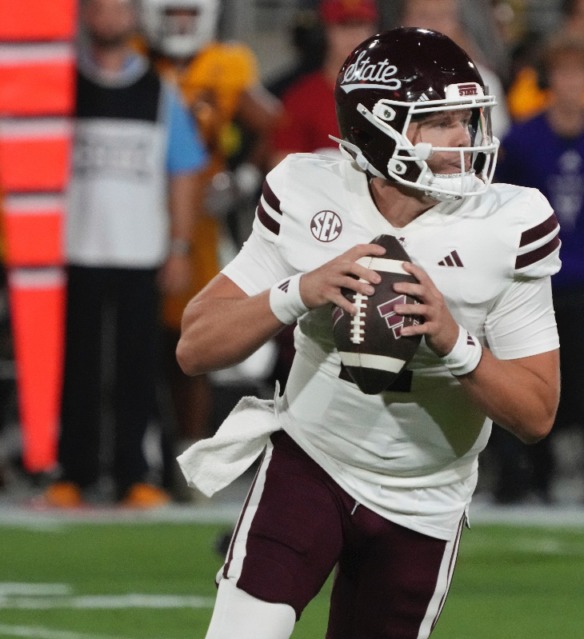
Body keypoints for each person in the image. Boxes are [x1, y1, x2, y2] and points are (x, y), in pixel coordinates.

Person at [176, 27, 561, 637]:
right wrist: (300, 289)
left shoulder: (508, 224)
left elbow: (537, 411)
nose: (463, 137)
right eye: (438, 121)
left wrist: (453, 340)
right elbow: (195, 344)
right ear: (375, 126)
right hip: (312, 461)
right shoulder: (309, 191)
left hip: (424, 494)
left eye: (467, 118)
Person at [41, 0, 206, 508]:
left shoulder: (160, 91)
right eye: (98, 9)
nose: (107, 18)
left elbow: (185, 169)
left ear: (135, 18)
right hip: (72, 251)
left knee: (140, 367)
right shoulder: (60, 88)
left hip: (140, 251)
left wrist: (179, 246)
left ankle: (137, 475)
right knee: (74, 366)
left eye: (117, 9)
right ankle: (74, 473)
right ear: (84, 17)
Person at [138, 0, 281, 473]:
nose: (180, 24)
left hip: (195, 219)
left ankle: (187, 447)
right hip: (134, 211)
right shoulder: (136, 55)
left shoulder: (225, 64)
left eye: (188, 14)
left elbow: (272, 124)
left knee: (186, 338)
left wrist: (239, 180)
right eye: (171, 14)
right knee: (134, 340)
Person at [494, 33, 584, 505]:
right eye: (562, 73)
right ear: (548, 81)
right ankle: (524, 480)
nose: (571, 83)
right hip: (535, 280)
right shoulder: (522, 138)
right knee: (529, 382)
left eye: (579, 73)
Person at [269, 0, 379, 164]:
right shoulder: (301, 97)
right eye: (343, 25)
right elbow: (282, 166)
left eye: (360, 24)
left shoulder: (394, 92)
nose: (353, 35)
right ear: (325, 31)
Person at [397, 0, 511, 140]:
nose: (434, 25)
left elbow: (495, 145)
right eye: (423, 15)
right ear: (403, 21)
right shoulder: (383, 76)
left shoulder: (483, 79)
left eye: (443, 16)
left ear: (457, 23)